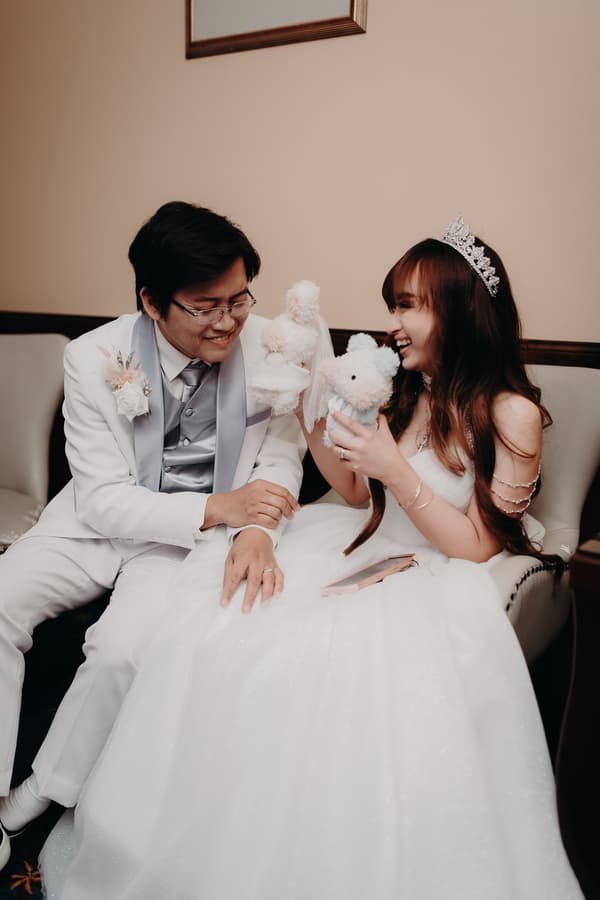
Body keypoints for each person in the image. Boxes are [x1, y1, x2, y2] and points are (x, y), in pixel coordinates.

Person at [39, 217, 583, 899]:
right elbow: (355, 490)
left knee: (306, 664)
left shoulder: (511, 414)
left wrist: (399, 470)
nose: (395, 322)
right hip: (360, 539)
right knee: (226, 619)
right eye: (394, 304)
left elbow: (479, 544)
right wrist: (309, 418)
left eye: (409, 305)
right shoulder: (407, 390)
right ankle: (198, 835)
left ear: (459, 308)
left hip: (435, 570)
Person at [0, 201, 305, 872]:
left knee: (123, 651)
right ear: (152, 301)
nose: (229, 320)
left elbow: (283, 453)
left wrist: (257, 526)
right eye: (206, 306)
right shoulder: (92, 358)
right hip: (92, 525)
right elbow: (105, 499)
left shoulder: (272, 346)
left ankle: (40, 790)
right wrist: (222, 507)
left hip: (189, 545)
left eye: (239, 299)